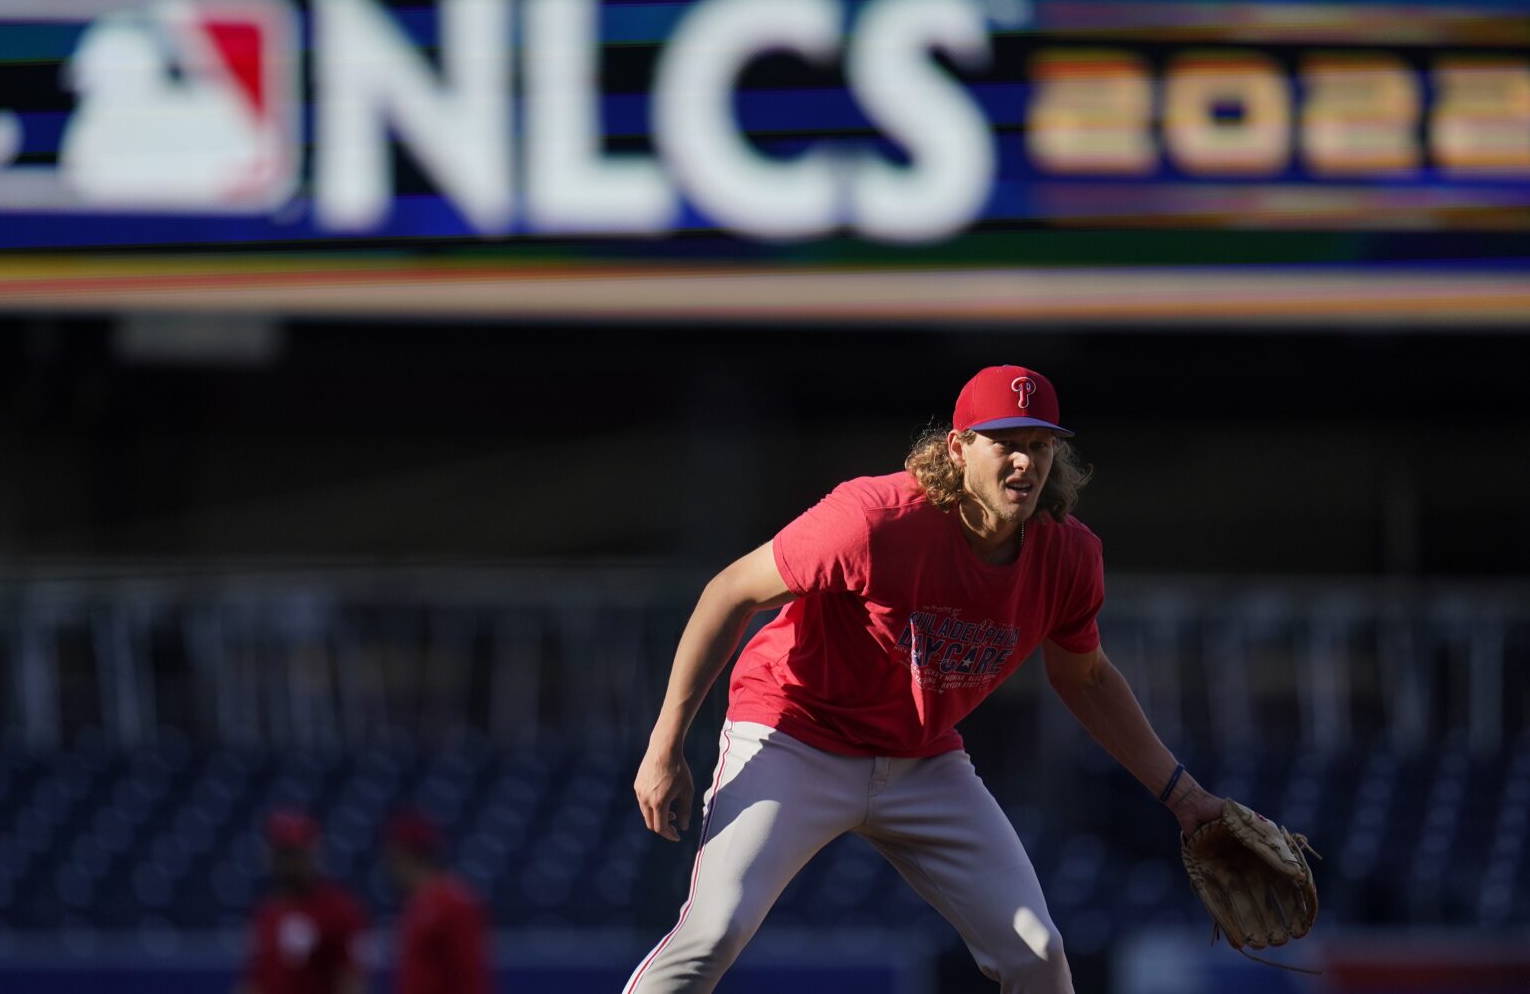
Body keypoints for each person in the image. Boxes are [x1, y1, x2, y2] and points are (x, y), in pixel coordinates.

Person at [623, 365, 1228, 994]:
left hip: (920, 758)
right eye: (1006, 442)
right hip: (795, 736)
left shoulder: (1070, 556)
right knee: (713, 934)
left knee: (1038, 954)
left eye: (1040, 444)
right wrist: (664, 746)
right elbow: (730, 592)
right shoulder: (873, 520)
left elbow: (1088, 679)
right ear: (959, 449)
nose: (1024, 461)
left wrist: (1185, 799)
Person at [239, 809, 368, 994]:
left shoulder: (339, 910)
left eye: (295, 855)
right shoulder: (266, 913)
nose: (288, 864)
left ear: (312, 854)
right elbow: (255, 981)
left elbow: (352, 981)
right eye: (283, 854)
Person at [382, 808, 494, 994]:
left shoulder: (454, 903)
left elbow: (469, 975)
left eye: (392, 858)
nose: (389, 867)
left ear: (406, 856)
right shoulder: (415, 903)